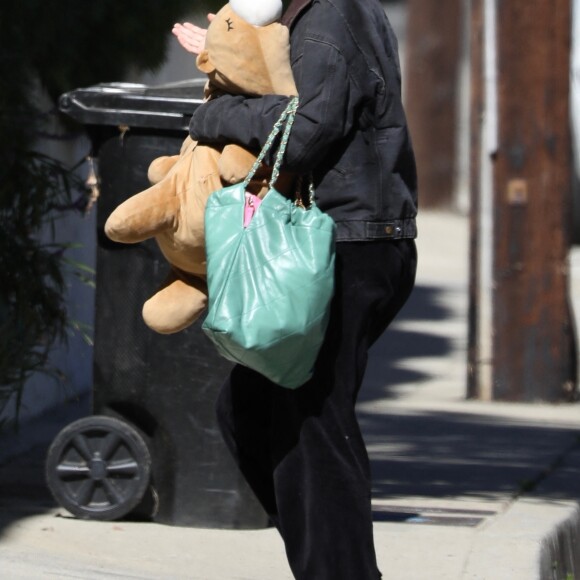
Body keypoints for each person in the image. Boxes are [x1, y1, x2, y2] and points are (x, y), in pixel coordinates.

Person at [174, 1, 418, 578]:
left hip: (344, 246)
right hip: (347, 241)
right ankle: (329, 564)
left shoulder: (332, 17)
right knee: (255, 410)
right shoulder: (316, 17)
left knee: (312, 423)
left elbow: (304, 131)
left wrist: (212, 115)